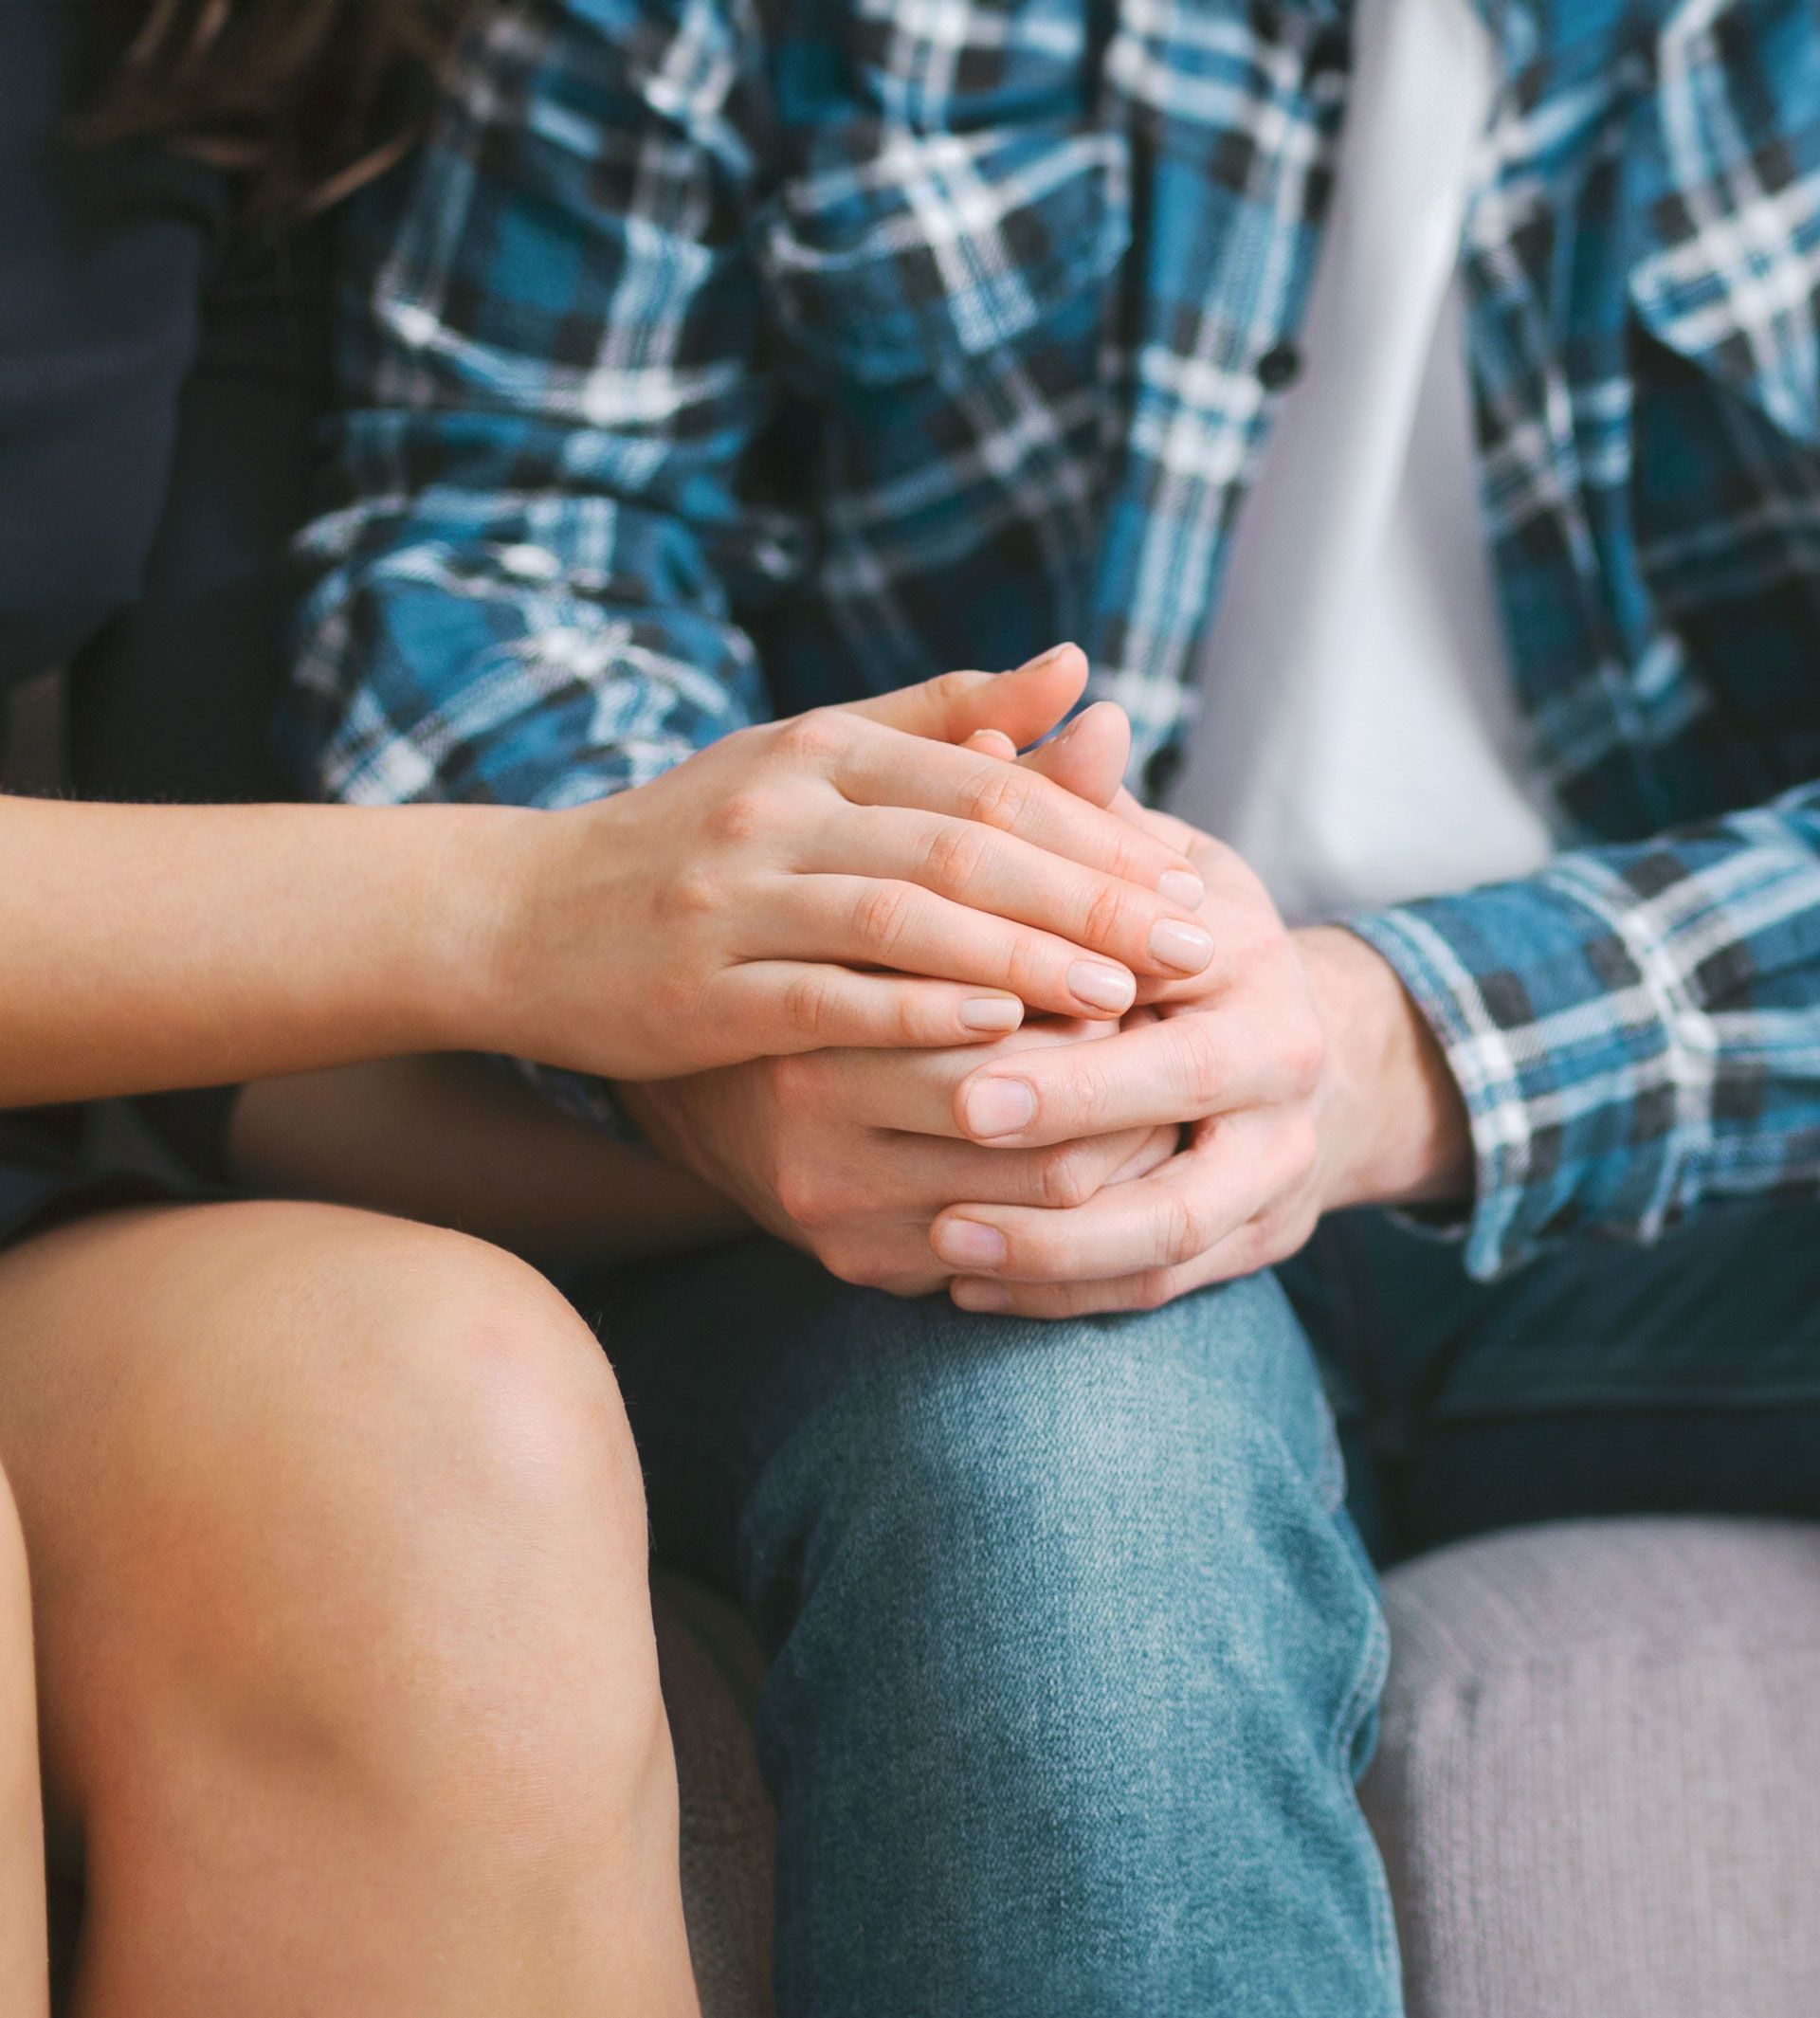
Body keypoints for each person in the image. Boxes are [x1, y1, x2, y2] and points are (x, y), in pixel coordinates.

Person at [283, 0, 1820, 2009]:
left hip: (1669, 1180)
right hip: (961, 1138)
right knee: (1068, 1469)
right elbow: (493, 553)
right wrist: (780, 1003)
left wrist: (1386, 1044)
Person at [0, 0, 1218, 2007]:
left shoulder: (229, 47)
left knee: (419, 1416)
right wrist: (525, 903)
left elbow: (225, 966)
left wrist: (912, 1085)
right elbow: (447, 918)